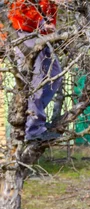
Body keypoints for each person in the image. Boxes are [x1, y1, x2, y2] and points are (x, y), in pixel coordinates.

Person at [8, 0, 63, 142]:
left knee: (55, 75)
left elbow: (50, 12)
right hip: (23, 30)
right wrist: (41, 22)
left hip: (41, 35)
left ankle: (32, 116)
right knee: (35, 80)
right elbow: (21, 6)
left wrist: (50, 27)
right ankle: (33, 129)